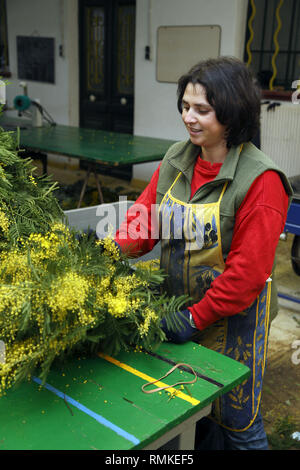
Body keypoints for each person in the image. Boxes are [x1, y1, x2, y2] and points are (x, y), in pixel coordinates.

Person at [114, 56, 293, 450]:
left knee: (236, 420)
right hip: (178, 307)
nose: (188, 118)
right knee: (185, 407)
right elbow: (144, 222)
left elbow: (247, 275)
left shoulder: (261, 182)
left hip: (234, 320)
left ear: (231, 114)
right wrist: (105, 251)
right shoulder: (177, 160)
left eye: (202, 110)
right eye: (184, 106)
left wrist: (195, 317)